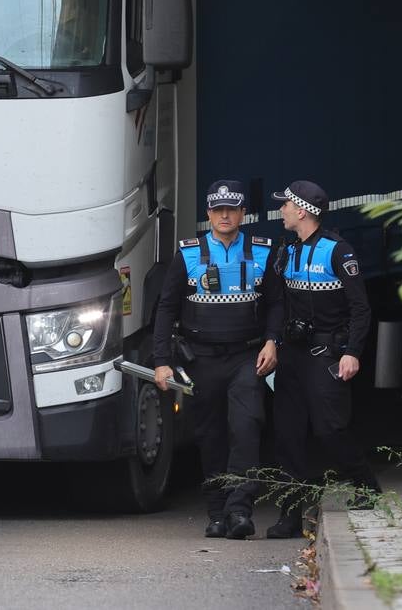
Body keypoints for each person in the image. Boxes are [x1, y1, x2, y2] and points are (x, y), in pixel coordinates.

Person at [152, 180, 282, 540]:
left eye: (232, 209)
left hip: (246, 356)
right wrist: (161, 360)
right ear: (208, 213)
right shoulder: (188, 254)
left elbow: (276, 303)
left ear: (242, 213)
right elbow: (166, 308)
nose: (225, 215)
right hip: (202, 360)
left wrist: (272, 342)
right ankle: (216, 512)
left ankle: (240, 510)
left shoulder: (262, 250)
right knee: (210, 436)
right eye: (217, 209)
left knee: (246, 427)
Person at [266, 180, 382, 539]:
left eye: (285, 205)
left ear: (301, 210)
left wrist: (352, 353)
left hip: (326, 352)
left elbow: (361, 308)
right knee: (287, 434)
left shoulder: (337, 251)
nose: (281, 210)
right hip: (292, 353)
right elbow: (278, 302)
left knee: (329, 429)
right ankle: (290, 514)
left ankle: (366, 486)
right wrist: (272, 341)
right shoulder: (287, 249)